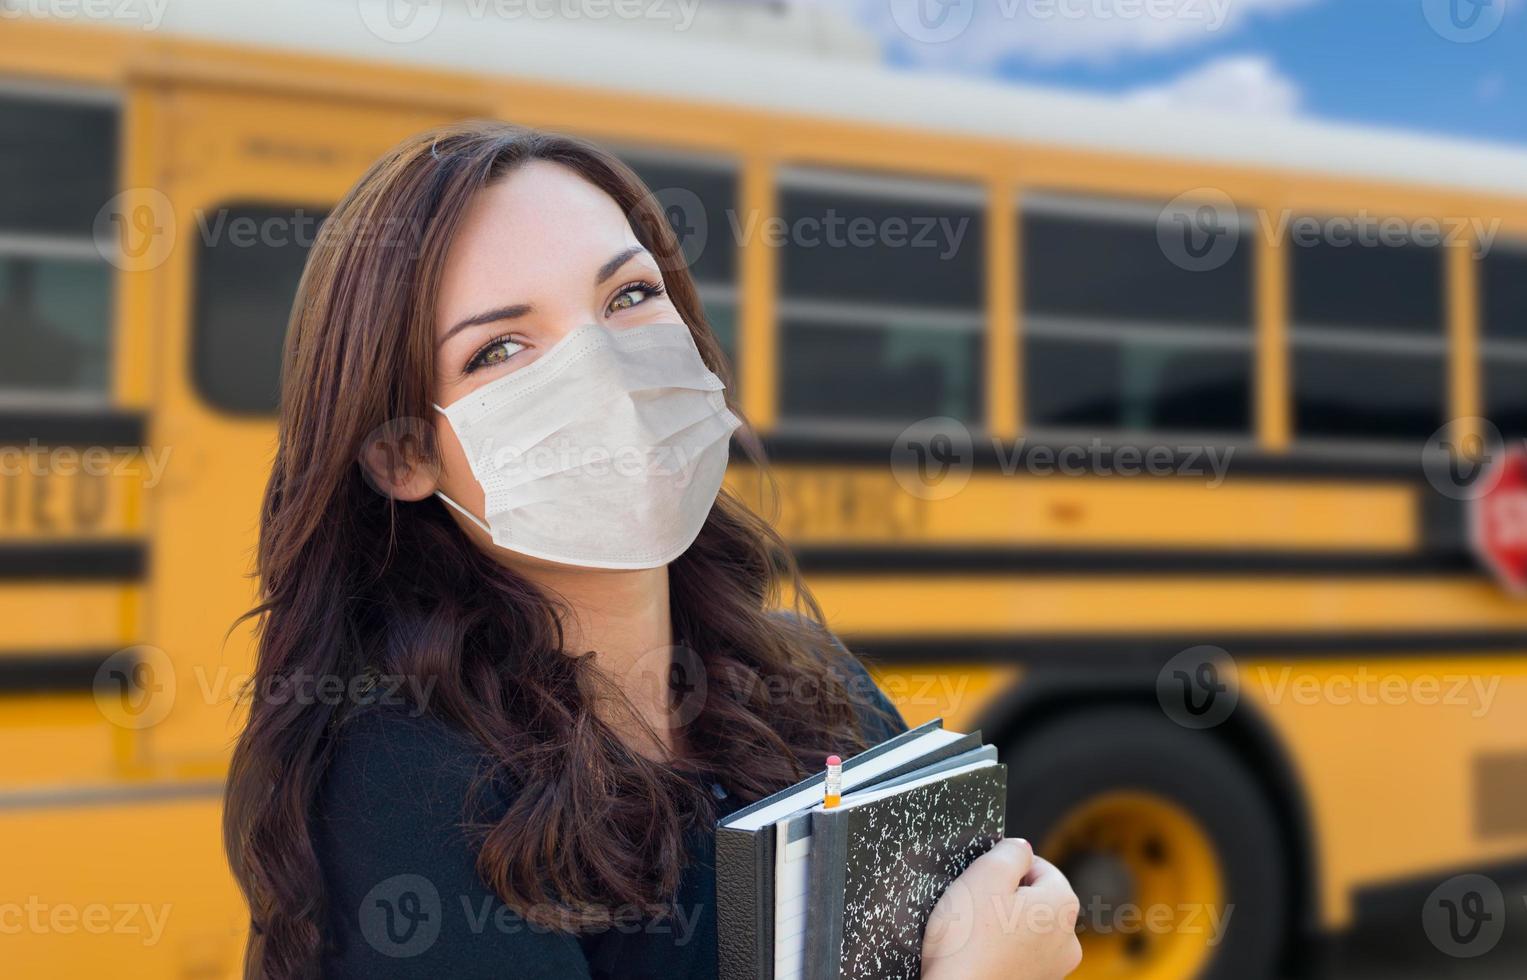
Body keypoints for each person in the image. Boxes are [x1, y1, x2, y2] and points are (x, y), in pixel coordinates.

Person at [222, 121, 1081, 980]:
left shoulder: (817, 686)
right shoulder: (399, 782)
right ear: (404, 455)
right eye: (500, 348)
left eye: (629, 296)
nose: (606, 370)